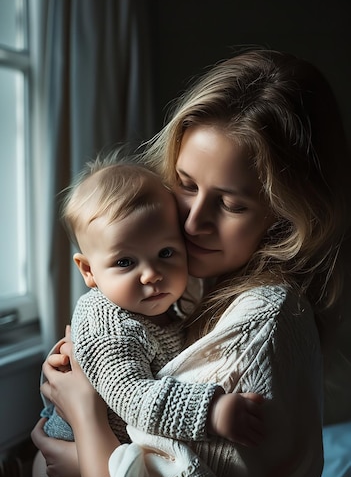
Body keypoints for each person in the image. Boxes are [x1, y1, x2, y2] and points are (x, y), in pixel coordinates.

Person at [32, 48, 350, 477]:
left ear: (285, 215)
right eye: (185, 183)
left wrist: (84, 411)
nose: (194, 220)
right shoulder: (193, 293)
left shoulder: (262, 317)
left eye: (230, 203)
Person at [41, 158, 263, 446]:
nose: (151, 275)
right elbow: (131, 395)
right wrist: (211, 412)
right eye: (125, 262)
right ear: (88, 271)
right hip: (79, 448)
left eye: (166, 253)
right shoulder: (107, 320)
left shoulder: (170, 306)